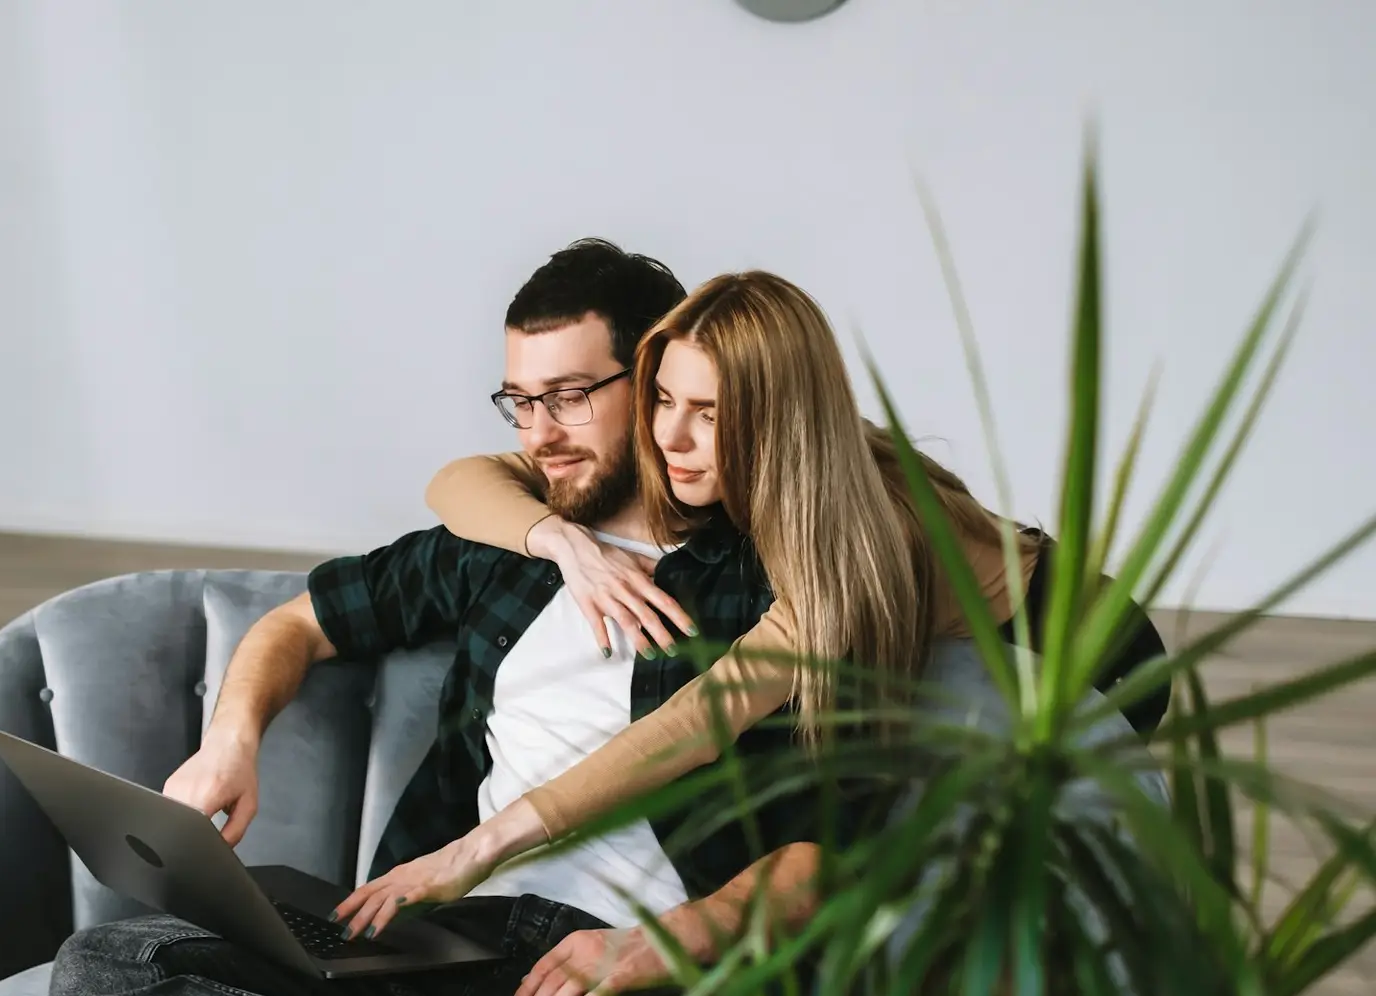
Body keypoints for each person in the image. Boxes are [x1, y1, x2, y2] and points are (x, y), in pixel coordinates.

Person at [46, 242, 824, 996]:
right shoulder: (504, 546)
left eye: (569, 397)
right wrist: (230, 739)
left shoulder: (780, 584)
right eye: (519, 400)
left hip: (606, 972)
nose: (537, 433)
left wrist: (672, 942)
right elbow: (300, 623)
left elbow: (827, 849)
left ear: (655, 381)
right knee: (108, 969)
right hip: (433, 934)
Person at [336, 269, 1168, 957]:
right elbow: (461, 479)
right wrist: (564, 542)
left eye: (709, 412)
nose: (672, 438)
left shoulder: (845, 533)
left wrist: (481, 847)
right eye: (664, 400)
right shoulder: (747, 471)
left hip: (1090, 655)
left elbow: (700, 720)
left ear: (776, 421)